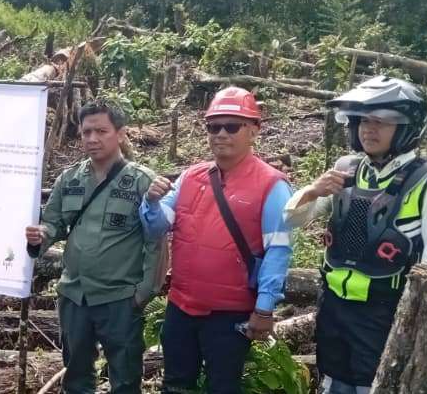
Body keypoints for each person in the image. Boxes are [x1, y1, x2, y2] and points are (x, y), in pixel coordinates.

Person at [284, 77, 427, 394]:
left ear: (407, 127)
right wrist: (312, 190)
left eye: (381, 122)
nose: (368, 129)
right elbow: (291, 219)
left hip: (386, 313)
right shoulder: (346, 170)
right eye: (364, 120)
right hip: (333, 308)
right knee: (332, 385)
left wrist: (414, 327)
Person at [139, 87, 294, 394]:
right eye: (213, 126)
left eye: (232, 126)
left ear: (253, 131)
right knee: (175, 384)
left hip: (231, 313)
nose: (221, 134)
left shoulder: (272, 185)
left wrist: (264, 310)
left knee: (223, 386)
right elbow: (156, 227)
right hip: (182, 307)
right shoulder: (191, 177)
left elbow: (278, 250)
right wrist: (151, 203)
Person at [25, 101, 162, 394]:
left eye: (101, 131)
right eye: (86, 131)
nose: (92, 139)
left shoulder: (141, 181)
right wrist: (41, 235)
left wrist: (145, 292)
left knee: (125, 378)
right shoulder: (70, 179)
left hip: (120, 297)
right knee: (75, 375)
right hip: (75, 295)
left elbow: (157, 241)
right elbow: (55, 223)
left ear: (121, 134)